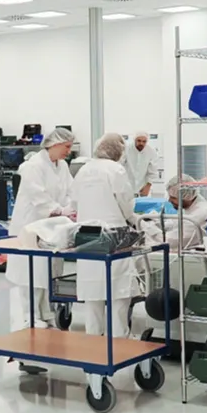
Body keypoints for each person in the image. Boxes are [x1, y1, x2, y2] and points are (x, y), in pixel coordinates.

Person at [6, 127, 76, 330]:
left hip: (52, 228)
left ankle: (46, 313)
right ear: (55, 144)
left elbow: (70, 190)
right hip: (31, 227)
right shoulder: (32, 166)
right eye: (67, 146)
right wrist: (60, 210)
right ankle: (30, 315)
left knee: (50, 272)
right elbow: (39, 197)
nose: (69, 151)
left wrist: (71, 208)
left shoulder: (62, 165)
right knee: (32, 273)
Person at [71, 133, 137, 339]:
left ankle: (93, 339)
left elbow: (74, 202)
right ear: (118, 151)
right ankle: (119, 338)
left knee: (93, 290)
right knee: (119, 290)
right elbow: (125, 202)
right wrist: (133, 220)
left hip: (86, 233)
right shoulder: (115, 169)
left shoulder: (83, 170)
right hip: (114, 232)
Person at [121, 131, 158, 196]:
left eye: (144, 141)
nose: (141, 143)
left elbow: (153, 171)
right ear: (134, 140)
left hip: (143, 187)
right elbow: (119, 166)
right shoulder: (126, 150)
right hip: (127, 186)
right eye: (139, 140)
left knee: (144, 202)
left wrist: (148, 187)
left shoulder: (151, 151)